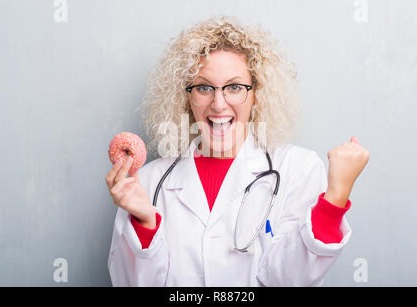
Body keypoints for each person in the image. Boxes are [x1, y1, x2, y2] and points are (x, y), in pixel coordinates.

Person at [105, 16, 370, 286]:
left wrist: (335, 198)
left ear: (257, 93)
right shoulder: (148, 183)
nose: (219, 104)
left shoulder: (297, 168)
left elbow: (292, 279)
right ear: (186, 96)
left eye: (234, 87)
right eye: (204, 87)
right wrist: (145, 223)